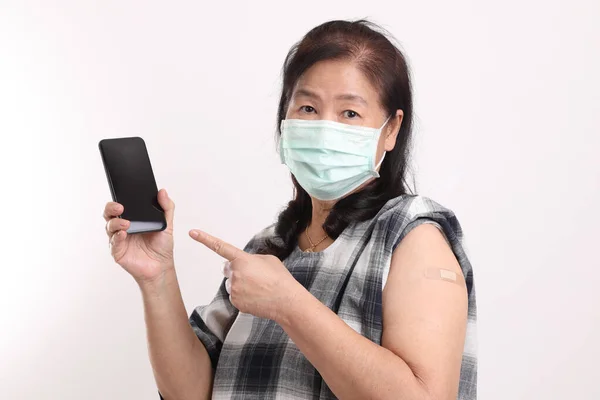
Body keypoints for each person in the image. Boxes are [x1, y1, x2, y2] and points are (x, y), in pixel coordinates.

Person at [103, 19, 477, 400]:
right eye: (308, 107)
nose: (324, 128)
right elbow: (191, 392)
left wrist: (289, 304)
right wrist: (157, 277)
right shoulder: (268, 247)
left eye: (350, 113)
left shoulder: (413, 236)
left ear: (391, 129)